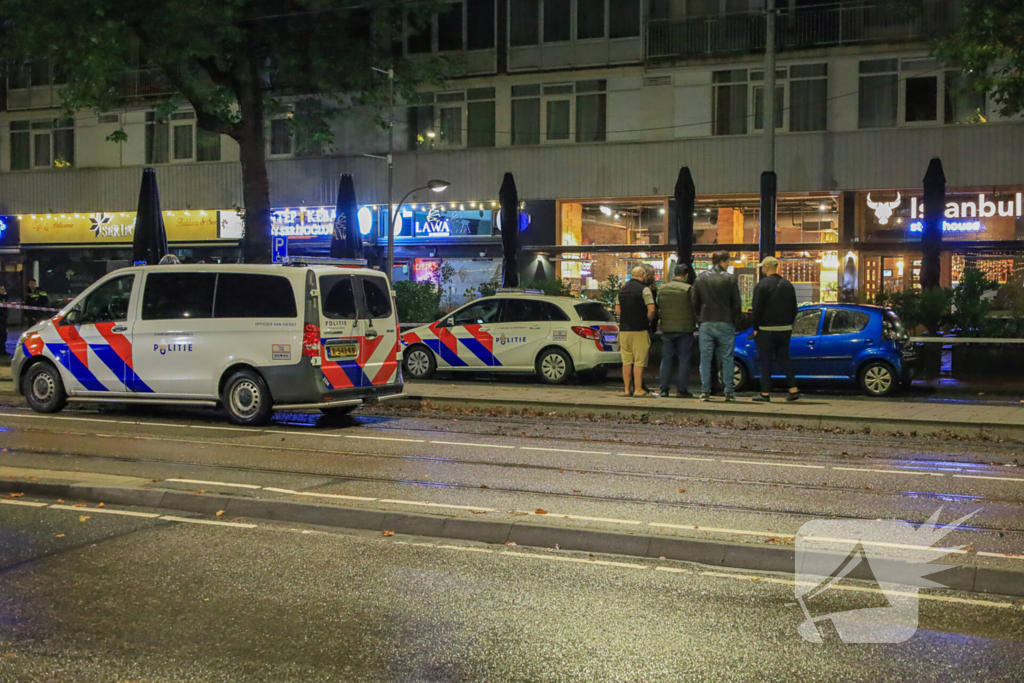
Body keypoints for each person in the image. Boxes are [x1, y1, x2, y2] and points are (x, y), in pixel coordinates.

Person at [691, 251, 742, 402]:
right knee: (727, 358)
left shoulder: (701, 279)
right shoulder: (730, 279)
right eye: (728, 262)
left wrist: (699, 318)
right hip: (725, 322)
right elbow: (736, 303)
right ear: (724, 262)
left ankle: (705, 391)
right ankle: (729, 391)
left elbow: (694, 301)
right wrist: (734, 320)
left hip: (706, 322)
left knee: (705, 358)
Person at [750, 256, 800, 402]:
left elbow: (756, 309)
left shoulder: (761, 286)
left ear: (766, 268)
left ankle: (765, 393)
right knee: (784, 358)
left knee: (765, 361)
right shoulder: (788, 285)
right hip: (785, 329)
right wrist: (789, 323)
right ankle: (793, 388)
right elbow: (794, 308)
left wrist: (755, 327)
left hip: (766, 329)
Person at [657, 263, 696, 398]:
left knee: (666, 359)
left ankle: (664, 389)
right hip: (685, 329)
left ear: (674, 275)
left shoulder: (662, 289)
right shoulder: (689, 289)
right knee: (684, 359)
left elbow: (659, 306)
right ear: (686, 275)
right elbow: (695, 307)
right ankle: (682, 390)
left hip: (667, 328)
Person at [616, 266, 656, 397]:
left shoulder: (622, 290)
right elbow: (651, 309)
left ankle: (627, 390)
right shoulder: (645, 289)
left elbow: (618, 310)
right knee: (639, 361)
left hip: (624, 330)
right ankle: (638, 389)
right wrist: (647, 320)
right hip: (639, 329)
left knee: (626, 361)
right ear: (643, 274)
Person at [0, 283, 8, 357]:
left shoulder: (4, 297)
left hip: (3, 319)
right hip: (1, 319)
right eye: (2, 289)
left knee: (3, 335)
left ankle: (3, 350)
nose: (3, 290)